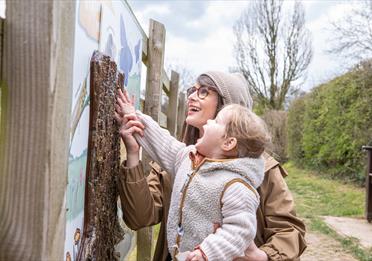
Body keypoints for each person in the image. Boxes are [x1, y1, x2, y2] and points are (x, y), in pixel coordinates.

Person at [115, 71, 307, 261]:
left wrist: (263, 256)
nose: (191, 96)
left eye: (204, 91)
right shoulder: (184, 158)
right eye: (193, 90)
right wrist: (133, 154)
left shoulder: (260, 170)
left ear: (227, 105)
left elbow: (289, 231)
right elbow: (139, 218)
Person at [117, 98, 270, 260]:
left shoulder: (236, 186)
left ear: (228, 143)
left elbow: (240, 231)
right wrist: (134, 117)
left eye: (217, 121)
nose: (209, 121)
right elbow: (164, 144)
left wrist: (206, 253)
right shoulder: (188, 159)